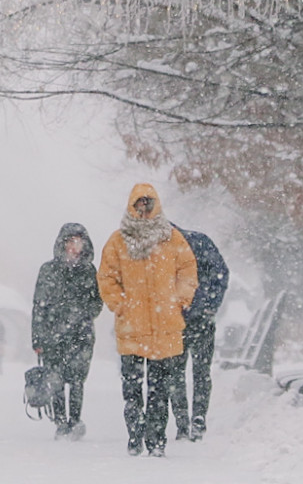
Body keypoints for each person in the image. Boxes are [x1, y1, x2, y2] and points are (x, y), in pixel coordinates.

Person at [97, 183, 197, 457]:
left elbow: (188, 270)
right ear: (132, 206)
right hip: (132, 326)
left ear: (156, 206)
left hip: (163, 327)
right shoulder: (117, 241)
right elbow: (106, 276)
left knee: (159, 390)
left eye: (148, 204)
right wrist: (120, 304)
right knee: (131, 388)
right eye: (139, 204)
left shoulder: (172, 238)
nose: (143, 210)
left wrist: (178, 300)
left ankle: (156, 440)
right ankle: (134, 435)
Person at [31, 223, 102, 439]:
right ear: (62, 244)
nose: (74, 247)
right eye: (70, 242)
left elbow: (97, 303)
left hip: (81, 335)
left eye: (78, 242)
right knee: (57, 379)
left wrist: (81, 312)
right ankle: (61, 423)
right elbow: (39, 306)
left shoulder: (89, 271)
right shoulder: (48, 270)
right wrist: (38, 338)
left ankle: (75, 421)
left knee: (78, 379)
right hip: (53, 335)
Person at [170, 226, 227, 440]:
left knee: (178, 372)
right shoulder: (200, 241)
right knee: (199, 371)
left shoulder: (190, 244)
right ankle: (195, 419)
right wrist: (209, 305)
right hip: (194, 319)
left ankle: (185, 421)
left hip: (182, 320)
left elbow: (219, 274)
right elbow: (220, 275)